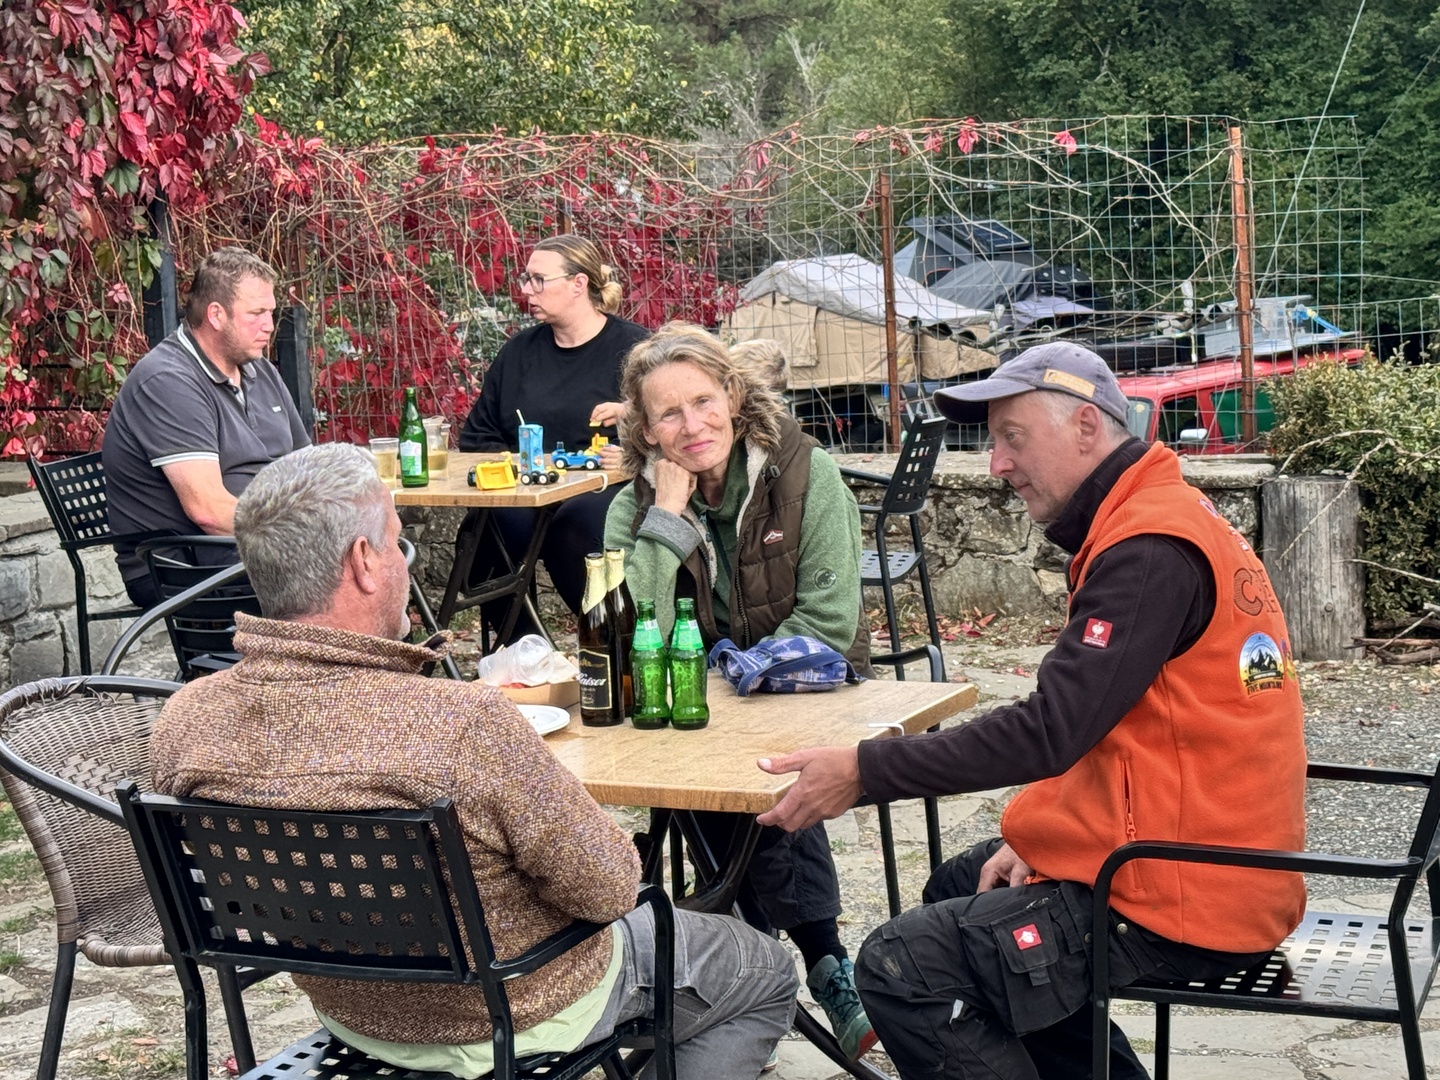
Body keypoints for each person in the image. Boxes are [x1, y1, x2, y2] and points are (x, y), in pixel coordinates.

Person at [149, 442, 797, 1080]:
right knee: (765, 970)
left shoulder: (186, 721)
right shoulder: (462, 725)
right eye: (397, 541)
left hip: (353, 1013)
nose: (403, 561)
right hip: (516, 1011)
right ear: (364, 562)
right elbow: (609, 891)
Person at [753, 341, 1308, 1079]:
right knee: (964, 884)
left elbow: (1052, 729)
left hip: (1190, 889)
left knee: (898, 967)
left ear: (1086, 426)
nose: (997, 464)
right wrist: (1050, 835)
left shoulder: (1148, 548)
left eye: (1012, 437)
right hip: (1200, 855)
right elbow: (1108, 725)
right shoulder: (1156, 516)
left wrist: (865, 769)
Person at [602, 322, 876, 1061]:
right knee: (707, 758)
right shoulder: (634, 507)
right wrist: (667, 519)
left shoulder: (805, 472)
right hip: (699, 704)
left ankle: (769, 962)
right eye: (668, 413)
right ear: (646, 430)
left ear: (731, 395)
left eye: (703, 401)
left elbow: (829, 622)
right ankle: (813, 962)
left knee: (768, 765)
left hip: (805, 690)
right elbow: (632, 635)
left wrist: (728, 673)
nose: (692, 425)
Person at [457, 235, 649, 636]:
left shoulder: (636, 350)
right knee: (488, 529)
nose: (527, 290)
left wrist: (634, 452)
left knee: (575, 526)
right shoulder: (518, 354)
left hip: (607, 489)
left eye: (539, 280)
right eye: (526, 279)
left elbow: (671, 427)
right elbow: (477, 436)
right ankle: (527, 652)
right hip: (528, 490)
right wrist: (514, 468)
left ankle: (617, 644)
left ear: (579, 284)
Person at [102, 247, 309, 608]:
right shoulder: (168, 381)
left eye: (271, 312)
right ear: (216, 314)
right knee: (344, 574)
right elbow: (208, 511)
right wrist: (304, 536)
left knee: (374, 548)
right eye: (256, 313)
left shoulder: (259, 370)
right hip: (190, 563)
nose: (269, 325)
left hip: (251, 545)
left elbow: (308, 466)